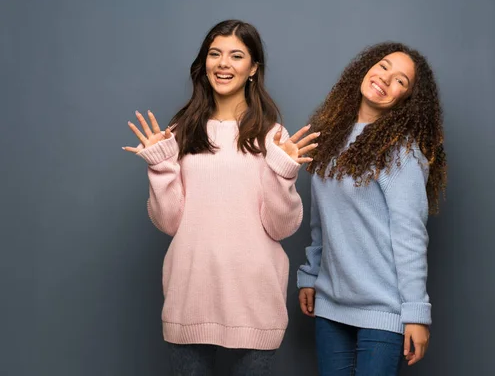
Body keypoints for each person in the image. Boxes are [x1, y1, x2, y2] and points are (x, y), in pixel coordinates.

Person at [123, 19, 318, 376]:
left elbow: (281, 226)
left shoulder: (273, 137)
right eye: (215, 54)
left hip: (254, 299)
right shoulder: (181, 132)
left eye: (236, 55)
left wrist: (284, 170)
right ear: (204, 63)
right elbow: (169, 222)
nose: (223, 63)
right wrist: (160, 165)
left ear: (253, 68)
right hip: (189, 294)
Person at [297, 42, 446, 375]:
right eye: (383, 66)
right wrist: (310, 274)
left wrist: (416, 313)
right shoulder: (332, 138)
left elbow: (409, 235)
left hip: (383, 310)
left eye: (400, 81)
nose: (385, 78)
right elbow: (322, 221)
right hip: (331, 307)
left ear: (407, 99)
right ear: (366, 67)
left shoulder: (399, 153)